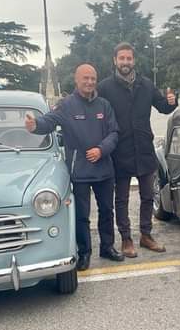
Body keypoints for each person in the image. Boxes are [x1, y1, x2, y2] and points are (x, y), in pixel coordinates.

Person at [25, 64, 123, 271]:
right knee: (81, 215)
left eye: (93, 79)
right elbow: (48, 122)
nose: (89, 82)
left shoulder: (104, 105)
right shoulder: (67, 105)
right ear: (77, 80)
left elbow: (114, 133)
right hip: (80, 172)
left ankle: (107, 247)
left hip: (104, 169)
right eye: (85, 78)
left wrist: (101, 149)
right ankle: (84, 252)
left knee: (107, 211)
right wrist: (35, 126)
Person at [97, 42, 177, 258]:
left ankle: (146, 235)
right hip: (119, 150)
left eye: (129, 58)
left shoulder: (146, 85)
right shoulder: (105, 87)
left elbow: (163, 107)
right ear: (115, 60)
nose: (125, 62)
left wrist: (172, 101)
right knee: (121, 199)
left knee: (148, 196)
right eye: (121, 58)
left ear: (134, 60)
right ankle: (126, 238)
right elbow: (93, 109)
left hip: (143, 148)